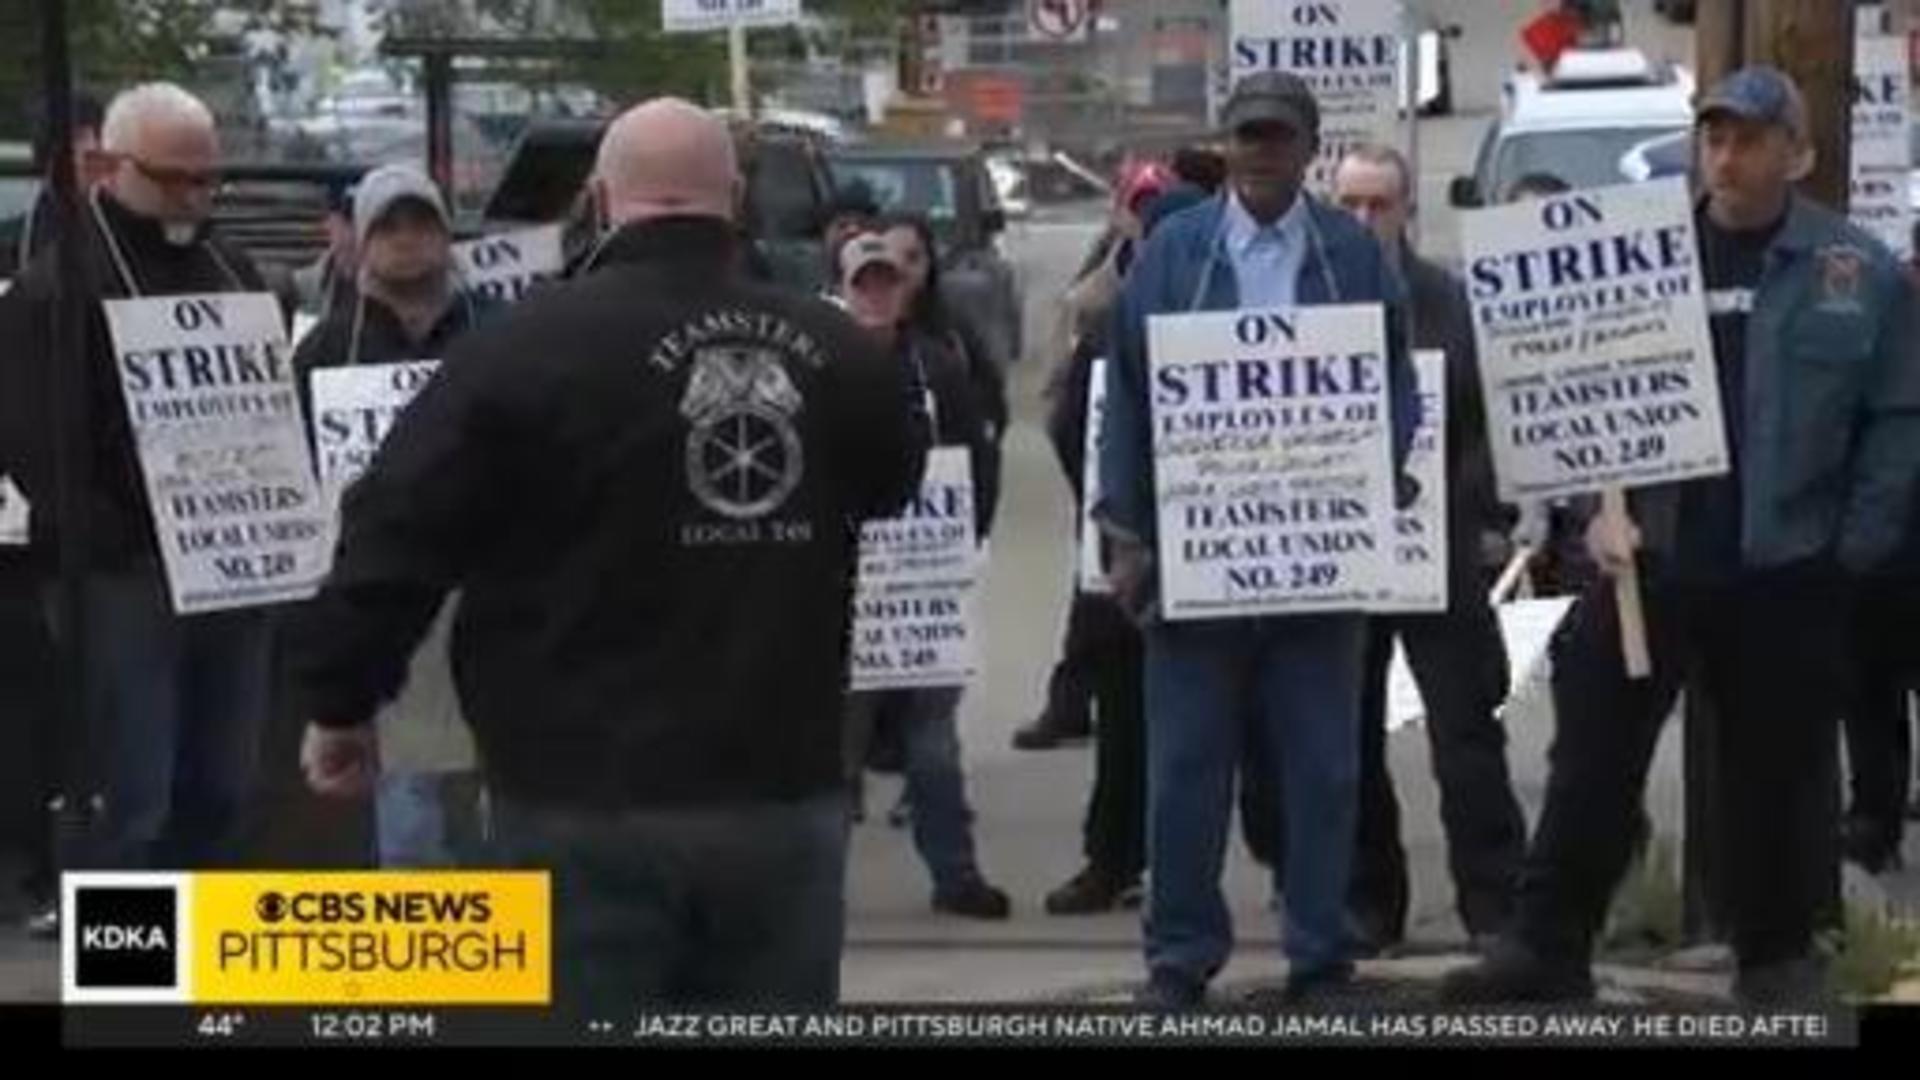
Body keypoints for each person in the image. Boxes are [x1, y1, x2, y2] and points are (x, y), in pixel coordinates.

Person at [292, 98, 926, 1010]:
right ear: (736, 198)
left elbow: (395, 533)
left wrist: (339, 700)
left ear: (597, 198)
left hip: (573, 796)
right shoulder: (836, 351)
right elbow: (891, 481)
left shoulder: (513, 352)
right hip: (776, 789)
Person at [1443, 67, 1920, 1007]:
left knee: (1775, 777)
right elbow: (1563, 392)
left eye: (1748, 139)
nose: (1727, 157)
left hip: (1783, 568)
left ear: (1799, 153)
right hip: (1647, 563)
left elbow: (1899, 419)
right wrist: (1592, 512)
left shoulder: (1857, 272)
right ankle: (1547, 948)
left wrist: (1850, 550)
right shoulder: (1641, 256)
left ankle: (1776, 956)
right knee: (1591, 764)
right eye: (1714, 138)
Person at [1098, 71, 1418, 1007]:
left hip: (1315, 563)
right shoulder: (1174, 252)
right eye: (1247, 136)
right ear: (1227, 146)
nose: (1262, 151)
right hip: (1196, 567)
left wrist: (1378, 472)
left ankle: (1319, 956)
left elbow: (1394, 381)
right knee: (1185, 775)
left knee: (1323, 771)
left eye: (1279, 136)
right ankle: (1179, 958)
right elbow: (1127, 392)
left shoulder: (1354, 254)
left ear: (1309, 146)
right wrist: (1126, 532)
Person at [2, 83, 276, 874]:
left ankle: (202, 971)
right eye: (174, 177)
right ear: (108, 167)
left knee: (223, 784)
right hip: (122, 574)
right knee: (134, 794)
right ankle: (128, 979)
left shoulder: (232, 265)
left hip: (231, 565)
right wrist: (129, 537)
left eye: (207, 178)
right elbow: (32, 447)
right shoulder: (55, 288)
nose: (195, 195)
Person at [1318, 143, 1526, 954]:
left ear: (1409, 210)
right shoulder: (1313, 297)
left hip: (1437, 551)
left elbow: (1485, 425)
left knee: (1466, 739)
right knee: (1349, 740)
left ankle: (1496, 904)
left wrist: (1470, 512)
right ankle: (1371, 902)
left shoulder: (1450, 302)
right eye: (1351, 205)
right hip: (1345, 556)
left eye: (1380, 204)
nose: (1365, 220)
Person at [291, 164, 489, 869]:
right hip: (379, 593)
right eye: (389, 226)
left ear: (447, 234)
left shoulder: (494, 339)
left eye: (422, 223)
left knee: (480, 804)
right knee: (408, 807)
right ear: (360, 243)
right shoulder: (321, 349)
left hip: (486, 589)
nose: (408, 240)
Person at [1039, 183, 1209, 917]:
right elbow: (1074, 427)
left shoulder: (1216, 322)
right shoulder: (1111, 331)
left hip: (1214, 562)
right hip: (1131, 562)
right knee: (1127, 726)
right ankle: (1114, 860)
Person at [837, 227, 1009, 919]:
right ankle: (814, 891)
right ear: (842, 289)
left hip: (925, 591)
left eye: (889, 280)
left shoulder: (937, 366)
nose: (878, 292)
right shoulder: (817, 361)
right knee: (835, 755)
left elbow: (979, 460)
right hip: (843, 599)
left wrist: (967, 540)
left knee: (933, 745)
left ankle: (956, 876)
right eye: (863, 281)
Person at [1014, 159, 1177, 753]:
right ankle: (1072, 704)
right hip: (1103, 465)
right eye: (1138, 205)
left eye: (1154, 206)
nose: (1145, 219)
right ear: (1121, 212)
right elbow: (1063, 391)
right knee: (1097, 594)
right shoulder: (1096, 297)